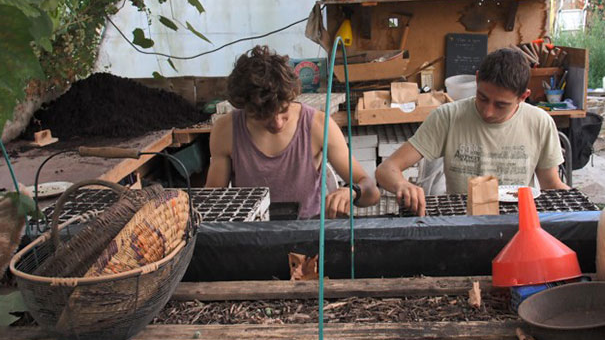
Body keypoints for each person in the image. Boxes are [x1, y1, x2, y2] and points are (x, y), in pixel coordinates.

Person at [376, 47, 569, 216]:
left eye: (501, 105)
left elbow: (550, 184)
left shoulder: (539, 122)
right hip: (462, 223)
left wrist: (581, 205)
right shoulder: (448, 117)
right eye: (482, 97)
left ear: (523, 97)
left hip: (518, 225)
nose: (488, 111)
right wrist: (402, 185)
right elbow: (386, 169)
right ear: (476, 80)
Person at [206, 45, 380, 219]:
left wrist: (353, 191)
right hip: (251, 234)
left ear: (291, 97)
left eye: (283, 111)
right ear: (246, 108)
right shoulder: (226, 131)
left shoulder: (318, 125)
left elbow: (372, 192)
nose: (277, 123)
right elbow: (213, 201)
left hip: (307, 233)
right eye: (263, 117)